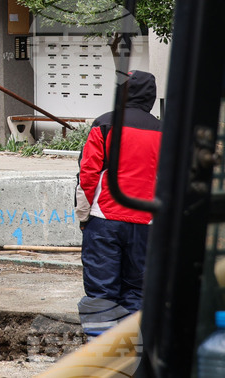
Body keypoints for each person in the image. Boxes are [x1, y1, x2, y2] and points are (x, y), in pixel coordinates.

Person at [74, 70, 161, 336]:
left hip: (105, 219)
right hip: (146, 222)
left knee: (101, 294)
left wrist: (83, 216)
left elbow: (88, 174)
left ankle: (101, 352)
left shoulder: (105, 123)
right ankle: (132, 349)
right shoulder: (163, 130)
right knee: (138, 291)